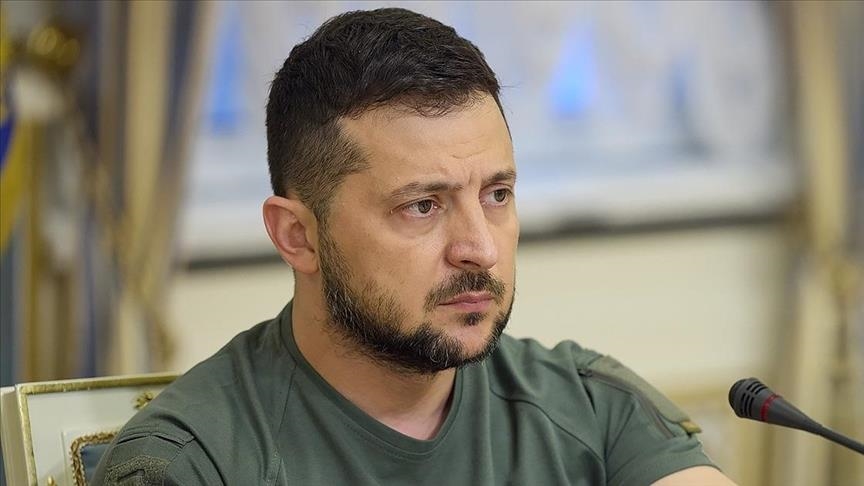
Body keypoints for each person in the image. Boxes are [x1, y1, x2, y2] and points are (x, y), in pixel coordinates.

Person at [93, 7, 736, 485]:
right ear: (298, 236)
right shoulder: (189, 462)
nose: (479, 248)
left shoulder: (593, 404)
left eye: (497, 195)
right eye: (422, 206)